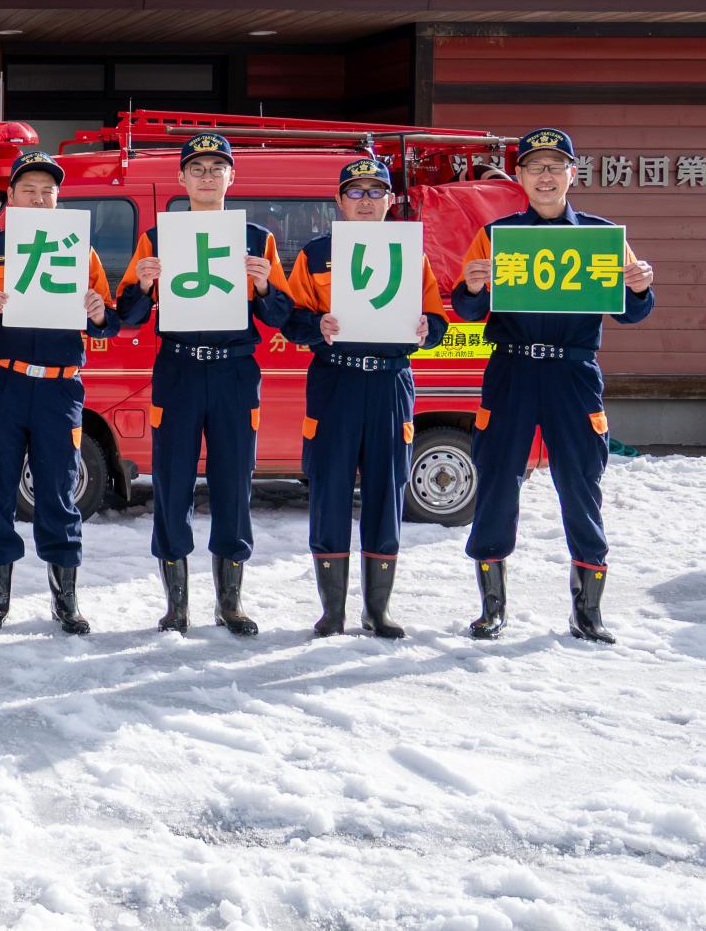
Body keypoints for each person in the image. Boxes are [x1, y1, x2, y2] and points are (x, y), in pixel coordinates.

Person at [452, 127, 655, 643]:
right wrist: (473, 286)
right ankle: (491, 606)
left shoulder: (601, 236)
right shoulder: (496, 236)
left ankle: (588, 610)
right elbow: (467, 309)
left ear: (572, 173)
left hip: (573, 373)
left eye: (555, 165)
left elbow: (632, 313)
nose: (545, 175)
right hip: (512, 371)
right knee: (497, 481)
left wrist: (641, 287)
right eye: (534, 166)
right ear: (518, 175)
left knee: (582, 482)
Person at [113, 132, 292, 635]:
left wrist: (261, 285)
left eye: (217, 168)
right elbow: (127, 314)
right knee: (171, 483)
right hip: (179, 368)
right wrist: (143, 284)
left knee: (234, 482)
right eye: (198, 168)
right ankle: (177, 604)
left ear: (232, 177)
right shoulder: (157, 237)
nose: (208, 176)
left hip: (235, 370)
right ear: (181, 179)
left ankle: (229, 602)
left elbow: (281, 314)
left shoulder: (257, 239)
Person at [0, 149, 118, 634]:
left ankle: (65, 602)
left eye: (48, 191)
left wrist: (98, 311)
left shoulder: (81, 253)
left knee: (58, 492)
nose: (39, 199)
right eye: (29, 190)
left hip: (59, 391)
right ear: (11, 199)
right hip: (1, 383)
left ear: (58, 199)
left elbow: (108, 321)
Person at [277, 157, 448, 639]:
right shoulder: (315, 254)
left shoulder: (411, 254)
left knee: (387, 491)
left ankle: (378, 611)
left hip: (391, 382)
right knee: (329, 490)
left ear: (390, 201)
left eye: (376, 192)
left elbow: (437, 321)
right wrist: (317, 326)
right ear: (339, 200)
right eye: (356, 192)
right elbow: (291, 321)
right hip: (335, 382)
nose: (367, 200)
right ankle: (332, 612)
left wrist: (425, 329)